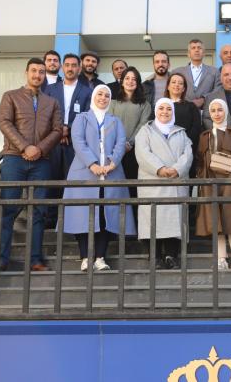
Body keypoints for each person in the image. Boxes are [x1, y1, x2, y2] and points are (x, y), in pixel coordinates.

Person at [0, 57, 63, 271]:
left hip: (41, 161)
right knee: (8, 209)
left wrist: (39, 149)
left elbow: (57, 130)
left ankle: (35, 259)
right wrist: (25, 147)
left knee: (39, 211)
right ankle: (1, 259)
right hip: (14, 158)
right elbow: (5, 123)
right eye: (34, 71)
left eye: (41, 72)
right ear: (26, 73)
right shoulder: (10, 96)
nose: (37, 75)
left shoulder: (52, 102)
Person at [63, 85, 136, 271]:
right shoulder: (81, 118)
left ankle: (100, 257)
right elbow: (78, 142)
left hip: (111, 174)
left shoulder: (115, 121)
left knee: (106, 216)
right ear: (93, 97)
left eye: (107, 95)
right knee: (83, 216)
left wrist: (112, 163)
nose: (103, 98)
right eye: (100, 94)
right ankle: (85, 257)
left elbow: (121, 143)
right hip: (84, 173)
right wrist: (93, 164)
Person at [135, 98, 193, 269]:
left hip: (175, 181)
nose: (165, 112)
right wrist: (160, 169)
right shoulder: (145, 131)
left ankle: (171, 255)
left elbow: (188, 154)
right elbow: (143, 153)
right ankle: (155, 257)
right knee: (152, 220)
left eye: (169, 109)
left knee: (174, 220)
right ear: (155, 111)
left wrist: (176, 169)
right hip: (153, 182)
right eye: (161, 108)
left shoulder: (181, 132)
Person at [196, 99, 231, 270]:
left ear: (225, 112)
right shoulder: (204, 136)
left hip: (230, 183)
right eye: (213, 110)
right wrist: (203, 178)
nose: (217, 114)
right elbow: (199, 160)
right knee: (215, 222)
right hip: (210, 183)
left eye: (220, 110)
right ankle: (221, 258)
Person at [44, 53, 92, 226]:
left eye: (74, 65)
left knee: (72, 181)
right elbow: (45, 114)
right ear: (62, 67)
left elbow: (87, 115)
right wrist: (59, 131)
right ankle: (50, 220)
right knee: (52, 179)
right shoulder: (50, 89)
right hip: (53, 142)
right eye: (67, 65)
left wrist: (69, 129)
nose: (70, 68)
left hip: (75, 143)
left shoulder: (87, 91)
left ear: (79, 68)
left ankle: (71, 220)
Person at [109, 66, 152, 203]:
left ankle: (132, 216)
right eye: (127, 78)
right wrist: (120, 144)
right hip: (114, 149)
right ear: (122, 81)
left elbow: (143, 125)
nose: (130, 81)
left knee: (132, 186)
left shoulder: (145, 104)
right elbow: (110, 124)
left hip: (134, 150)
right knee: (114, 186)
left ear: (138, 83)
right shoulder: (113, 103)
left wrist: (130, 143)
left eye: (134, 79)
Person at [164, 72, 201, 178]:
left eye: (180, 83)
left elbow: (196, 128)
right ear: (168, 86)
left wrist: (183, 145)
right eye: (173, 82)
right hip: (164, 152)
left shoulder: (191, 107)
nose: (177, 85)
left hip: (186, 151)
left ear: (184, 88)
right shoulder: (160, 106)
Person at [172, 39, 220, 108]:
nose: (196, 50)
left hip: (207, 109)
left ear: (204, 53)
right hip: (183, 108)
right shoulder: (178, 72)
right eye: (193, 48)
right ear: (188, 54)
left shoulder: (214, 71)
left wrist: (203, 99)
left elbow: (218, 90)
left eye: (199, 48)